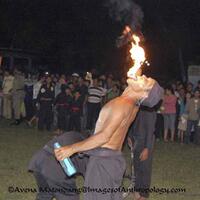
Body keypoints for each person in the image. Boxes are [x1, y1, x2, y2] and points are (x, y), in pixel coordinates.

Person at [55, 74, 164, 200]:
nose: (143, 76)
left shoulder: (122, 104)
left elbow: (104, 136)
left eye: (145, 81)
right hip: (113, 160)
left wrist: (72, 149)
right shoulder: (133, 105)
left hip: (104, 163)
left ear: (144, 94)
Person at [28, 131, 88, 200]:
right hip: (55, 165)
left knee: (45, 193)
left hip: (39, 160)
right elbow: (89, 174)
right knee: (69, 195)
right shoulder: (87, 148)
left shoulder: (74, 135)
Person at [128, 105, 157, 200]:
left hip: (145, 141)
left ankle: (144, 195)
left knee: (145, 168)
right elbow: (132, 123)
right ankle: (137, 189)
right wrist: (130, 136)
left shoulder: (149, 109)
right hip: (136, 139)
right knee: (136, 166)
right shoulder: (136, 106)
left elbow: (150, 130)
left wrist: (147, 148)